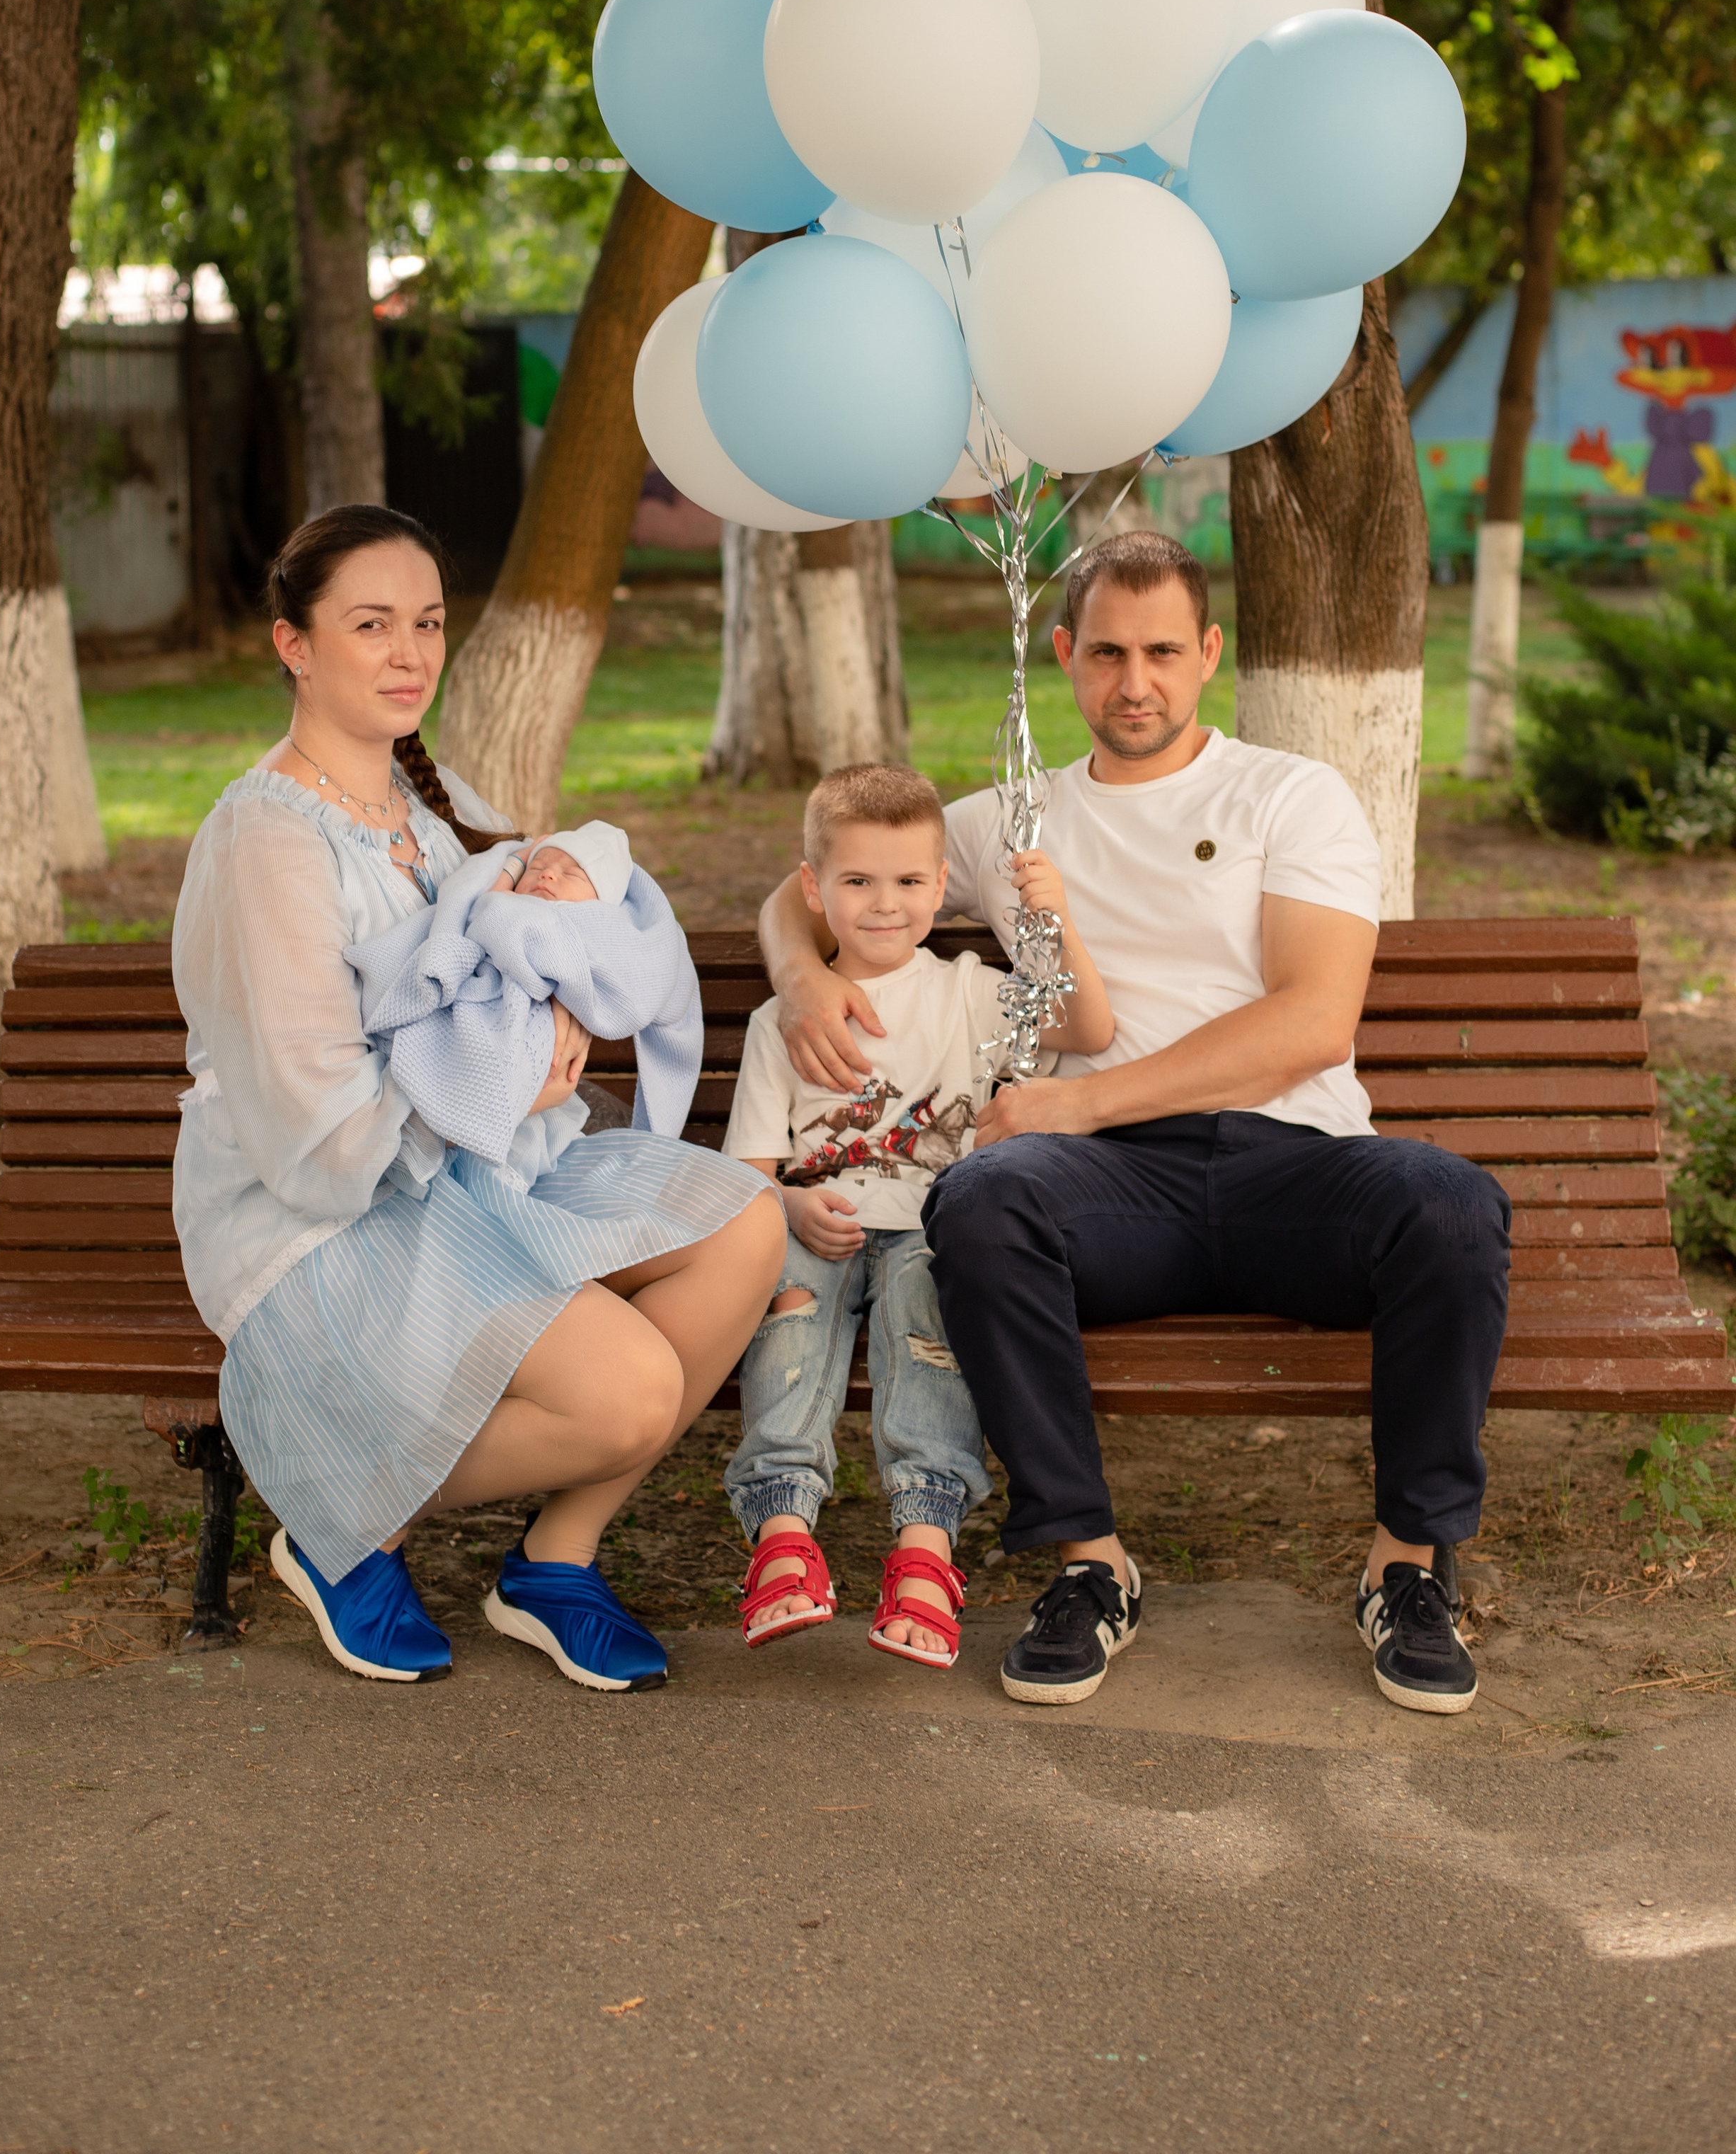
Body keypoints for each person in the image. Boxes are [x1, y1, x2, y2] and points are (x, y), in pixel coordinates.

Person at [756, 530, 1512, 1719]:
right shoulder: (1014, 819)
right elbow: (814, 881)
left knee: (1453, 1206)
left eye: (1162, 652)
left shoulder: (1288, 795)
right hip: (1110, 1192)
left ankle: (1406, 1567)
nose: (1135, 682)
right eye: (1107, 653)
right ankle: (1089, 1564)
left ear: (1209, 653)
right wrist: (800, 976)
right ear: (1065, 655)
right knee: (983, 1201)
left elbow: (1313, 1021)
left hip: (1293, 1165)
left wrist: (1080, 1099)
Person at [171, 505, 783, 1694]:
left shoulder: (427, 799)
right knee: (632, 1392)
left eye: (429, 623)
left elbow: (516, 955)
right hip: (324, 1213)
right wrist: (497, 1080)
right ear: (294, 644)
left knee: (748, 1225)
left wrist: (560, 1020)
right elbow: (314, 1132)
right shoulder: (267, 842)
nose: (410, 653)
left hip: (474, 1162)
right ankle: (340, 1519)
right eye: (371, 625)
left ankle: (554, 1563)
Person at [723, 762, 1113, 1668]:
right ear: (813, 888)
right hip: (816, 1224)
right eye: (857, 881)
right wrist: (789, 1202)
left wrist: (1051, 917)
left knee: (929, 1315)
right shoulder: (783, 1022)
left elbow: (1087, 1029)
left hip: (934, 1227)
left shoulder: (970, 992)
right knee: (789, 1313)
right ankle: (781, 1538)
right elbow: (748, 1173)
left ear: (941, 886)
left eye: (907, 881)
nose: (884, 904)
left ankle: (925, 1551)